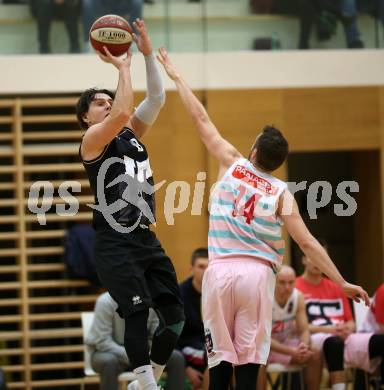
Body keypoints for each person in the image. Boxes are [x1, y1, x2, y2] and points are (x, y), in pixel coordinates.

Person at [157, 47, 369, 390]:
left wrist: (177, 77)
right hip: (255, 276)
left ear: (254, 152)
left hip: (220, 271)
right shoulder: (282, 193)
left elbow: (201, 119)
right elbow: (307, 242)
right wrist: (341, 280)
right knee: (250, 360)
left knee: (220, 358)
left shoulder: (232, 161)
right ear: (278, 163)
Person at [77, 20, 184, 390]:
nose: (107, 106)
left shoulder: (130, 134)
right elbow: (123, 112)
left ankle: (146, 381)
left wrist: (146, 55)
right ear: (86, 118)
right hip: (115, 241)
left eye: (110, 100)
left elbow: (156, 99)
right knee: (136, 315)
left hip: (144, 238)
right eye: (98, 103)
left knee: (175, 317)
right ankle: (148, 386)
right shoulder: (93, 141)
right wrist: (123, 67)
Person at [296, 246, 384, 390]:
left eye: (323, 257)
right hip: (314, 338)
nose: (318, 262)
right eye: (313, 257)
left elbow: (350, 322)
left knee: (380, 341)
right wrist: (329, 329)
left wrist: (348, 327)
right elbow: (296, 326)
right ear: (304, 259)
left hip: (343, 336)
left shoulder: (337, 287)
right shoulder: (294, 286)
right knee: (334, 342)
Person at [86, 292, 185, 390]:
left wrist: (144, 354)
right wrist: (134, 355)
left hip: (142, 351)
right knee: (109, 361)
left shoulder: (151, 300)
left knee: (176, 357)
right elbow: (101, 340)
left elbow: (157, 335)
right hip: (110, 353)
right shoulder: (105, 301)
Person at [257, 265, 322, 390]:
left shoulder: (298, 297)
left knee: (315, 354)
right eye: (282, 282)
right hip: (264, 348)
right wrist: (292, 352)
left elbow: (304, 330)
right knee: (257, 360)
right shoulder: (264, 297)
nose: (287, 287)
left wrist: (303, 345)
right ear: (273, 281)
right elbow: (262, 339)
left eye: (291, 282)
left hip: (285, 343)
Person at [178, 248, 209, 390]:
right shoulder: (179, 295)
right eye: (201, 266)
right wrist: (186, 368)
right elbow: (170, 337)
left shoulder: (219, 292)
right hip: (186, 347)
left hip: (208, 345)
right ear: (191, 269)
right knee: (216, 358)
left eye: (209, 267)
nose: (205, 271)